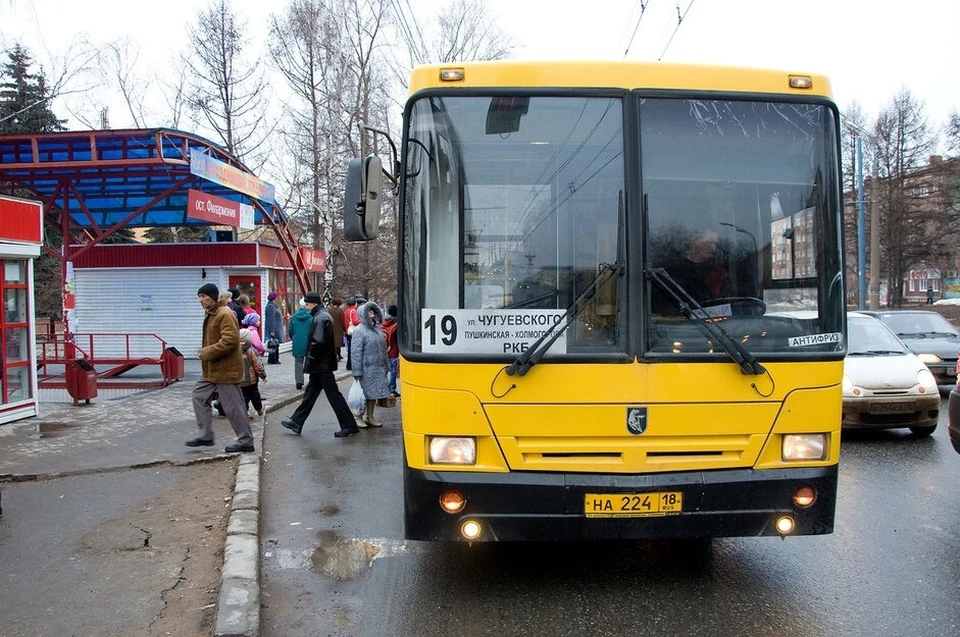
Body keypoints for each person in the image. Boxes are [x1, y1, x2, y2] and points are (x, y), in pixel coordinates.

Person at [186, 283, 255, 453]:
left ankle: (246, 441)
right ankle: (206, 435)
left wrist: (207, 352)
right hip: (212, 370)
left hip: (226, 369)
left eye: (204, 296)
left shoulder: (224, 313)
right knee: (199, 396)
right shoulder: (212, 313)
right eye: (199, 297)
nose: (201, 300)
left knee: (233, 406)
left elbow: (230, 340)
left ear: (213, 297)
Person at [281, 291, 360, 438]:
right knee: (311, 394)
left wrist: (310, 361)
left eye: (308, 304)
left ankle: (349, 425)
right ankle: (297, 422)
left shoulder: (320, 317)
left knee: (333, 395)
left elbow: (317, 342)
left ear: (313, 303)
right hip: (322, 364)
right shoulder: (321, 316)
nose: (307, 307)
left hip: (321, 365)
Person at [350, 301, 391, 428]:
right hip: (365, 368)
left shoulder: (377, 329)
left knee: (373, 394)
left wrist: (386, 365)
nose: (372, 313)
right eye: (369, 311)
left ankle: (370, 416)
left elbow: (383, 348)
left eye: (373, 310)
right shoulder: (359, 331)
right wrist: (356, 371)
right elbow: (356, 351)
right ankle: (358, 416)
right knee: (363, 394)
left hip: (377, 367)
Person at [288, 298, 312, 390]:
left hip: (298, 341)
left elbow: (291, 330)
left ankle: (299, 382)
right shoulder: (311, 316)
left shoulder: (294, 316)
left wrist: (294, 337)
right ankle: (311, 381)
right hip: (309, 341)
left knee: (298, 361)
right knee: (310, 361)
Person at [382, 304, 400, 397]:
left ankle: (383, 388)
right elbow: (398, 340)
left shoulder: (384, 322)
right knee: (393, 371)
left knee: (384, 370)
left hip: (384, 350)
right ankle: (392, 389)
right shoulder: (396, 324)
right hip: (393, 350)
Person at [264, 291, 284, 363]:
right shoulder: (271, 307)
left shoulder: (273, 305)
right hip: (274, 329)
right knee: (273, 344)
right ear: (275, 298)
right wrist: (272, 330)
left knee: (275, 344)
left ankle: (275, 359)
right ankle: (273, 359)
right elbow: (271, 319)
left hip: (276, 328)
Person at [327, 297, 346, 362]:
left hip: (332, 328)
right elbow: (343, 321)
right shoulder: (340, 311)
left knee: (334, 342)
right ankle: (338, 355)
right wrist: (344, 329)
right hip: (339, 328)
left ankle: (336, 355)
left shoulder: (330, 310)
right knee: (338, 343)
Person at [343, 296, 359, 370]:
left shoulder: (346, 311)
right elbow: (355, 321)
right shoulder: (354, 311)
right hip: (353, 332)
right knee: (354, 350)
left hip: (348, 331)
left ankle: (349, 365)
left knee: (350, 349)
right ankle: (351, 365)